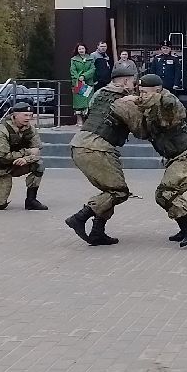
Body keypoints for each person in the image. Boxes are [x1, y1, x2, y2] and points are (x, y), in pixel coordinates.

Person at [65, 63, 143, 246]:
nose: (135, 86)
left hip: (80, 143)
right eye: (134, 82)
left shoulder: (100, 93)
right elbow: (140, 129)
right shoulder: (124, 100)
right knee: (119, 192)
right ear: (126, 81)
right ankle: (79, 217)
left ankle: (97, 232)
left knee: (109, 192)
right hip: (97, 147)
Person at [136, 74, 187, 246]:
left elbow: (170, 104)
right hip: (177, 157)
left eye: (145, 92)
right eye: (140, 92)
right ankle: (185, 227)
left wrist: (146, 100)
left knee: (166, 193)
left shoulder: (167, 101)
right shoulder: (149, 108)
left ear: (157, 90)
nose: (142, 96)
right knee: (164, 195)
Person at [0, 100, 46, 211]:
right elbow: (3, 157)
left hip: (16, 164)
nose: (28, 118)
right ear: (14, 116)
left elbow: (37, 151)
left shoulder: (31, 130)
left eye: (30, 115)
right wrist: (27, 153)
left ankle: (31, 200)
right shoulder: (1, 131)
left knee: (39, 165)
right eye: (25, 115)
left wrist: (26, 159)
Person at [69, 43, 96, 127]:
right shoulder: (74, 59)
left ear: (85, 49)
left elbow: (92, 69)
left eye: (82, 48)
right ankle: (79, 120)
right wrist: (79, 78)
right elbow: (73, 71)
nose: (81, 50)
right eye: (79, 49)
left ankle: (88, 121)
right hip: (78, 84)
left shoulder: (90, 58)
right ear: (77, 50)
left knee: (89, 102)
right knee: (78, 103)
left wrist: (84, 76)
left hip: (88, 83)